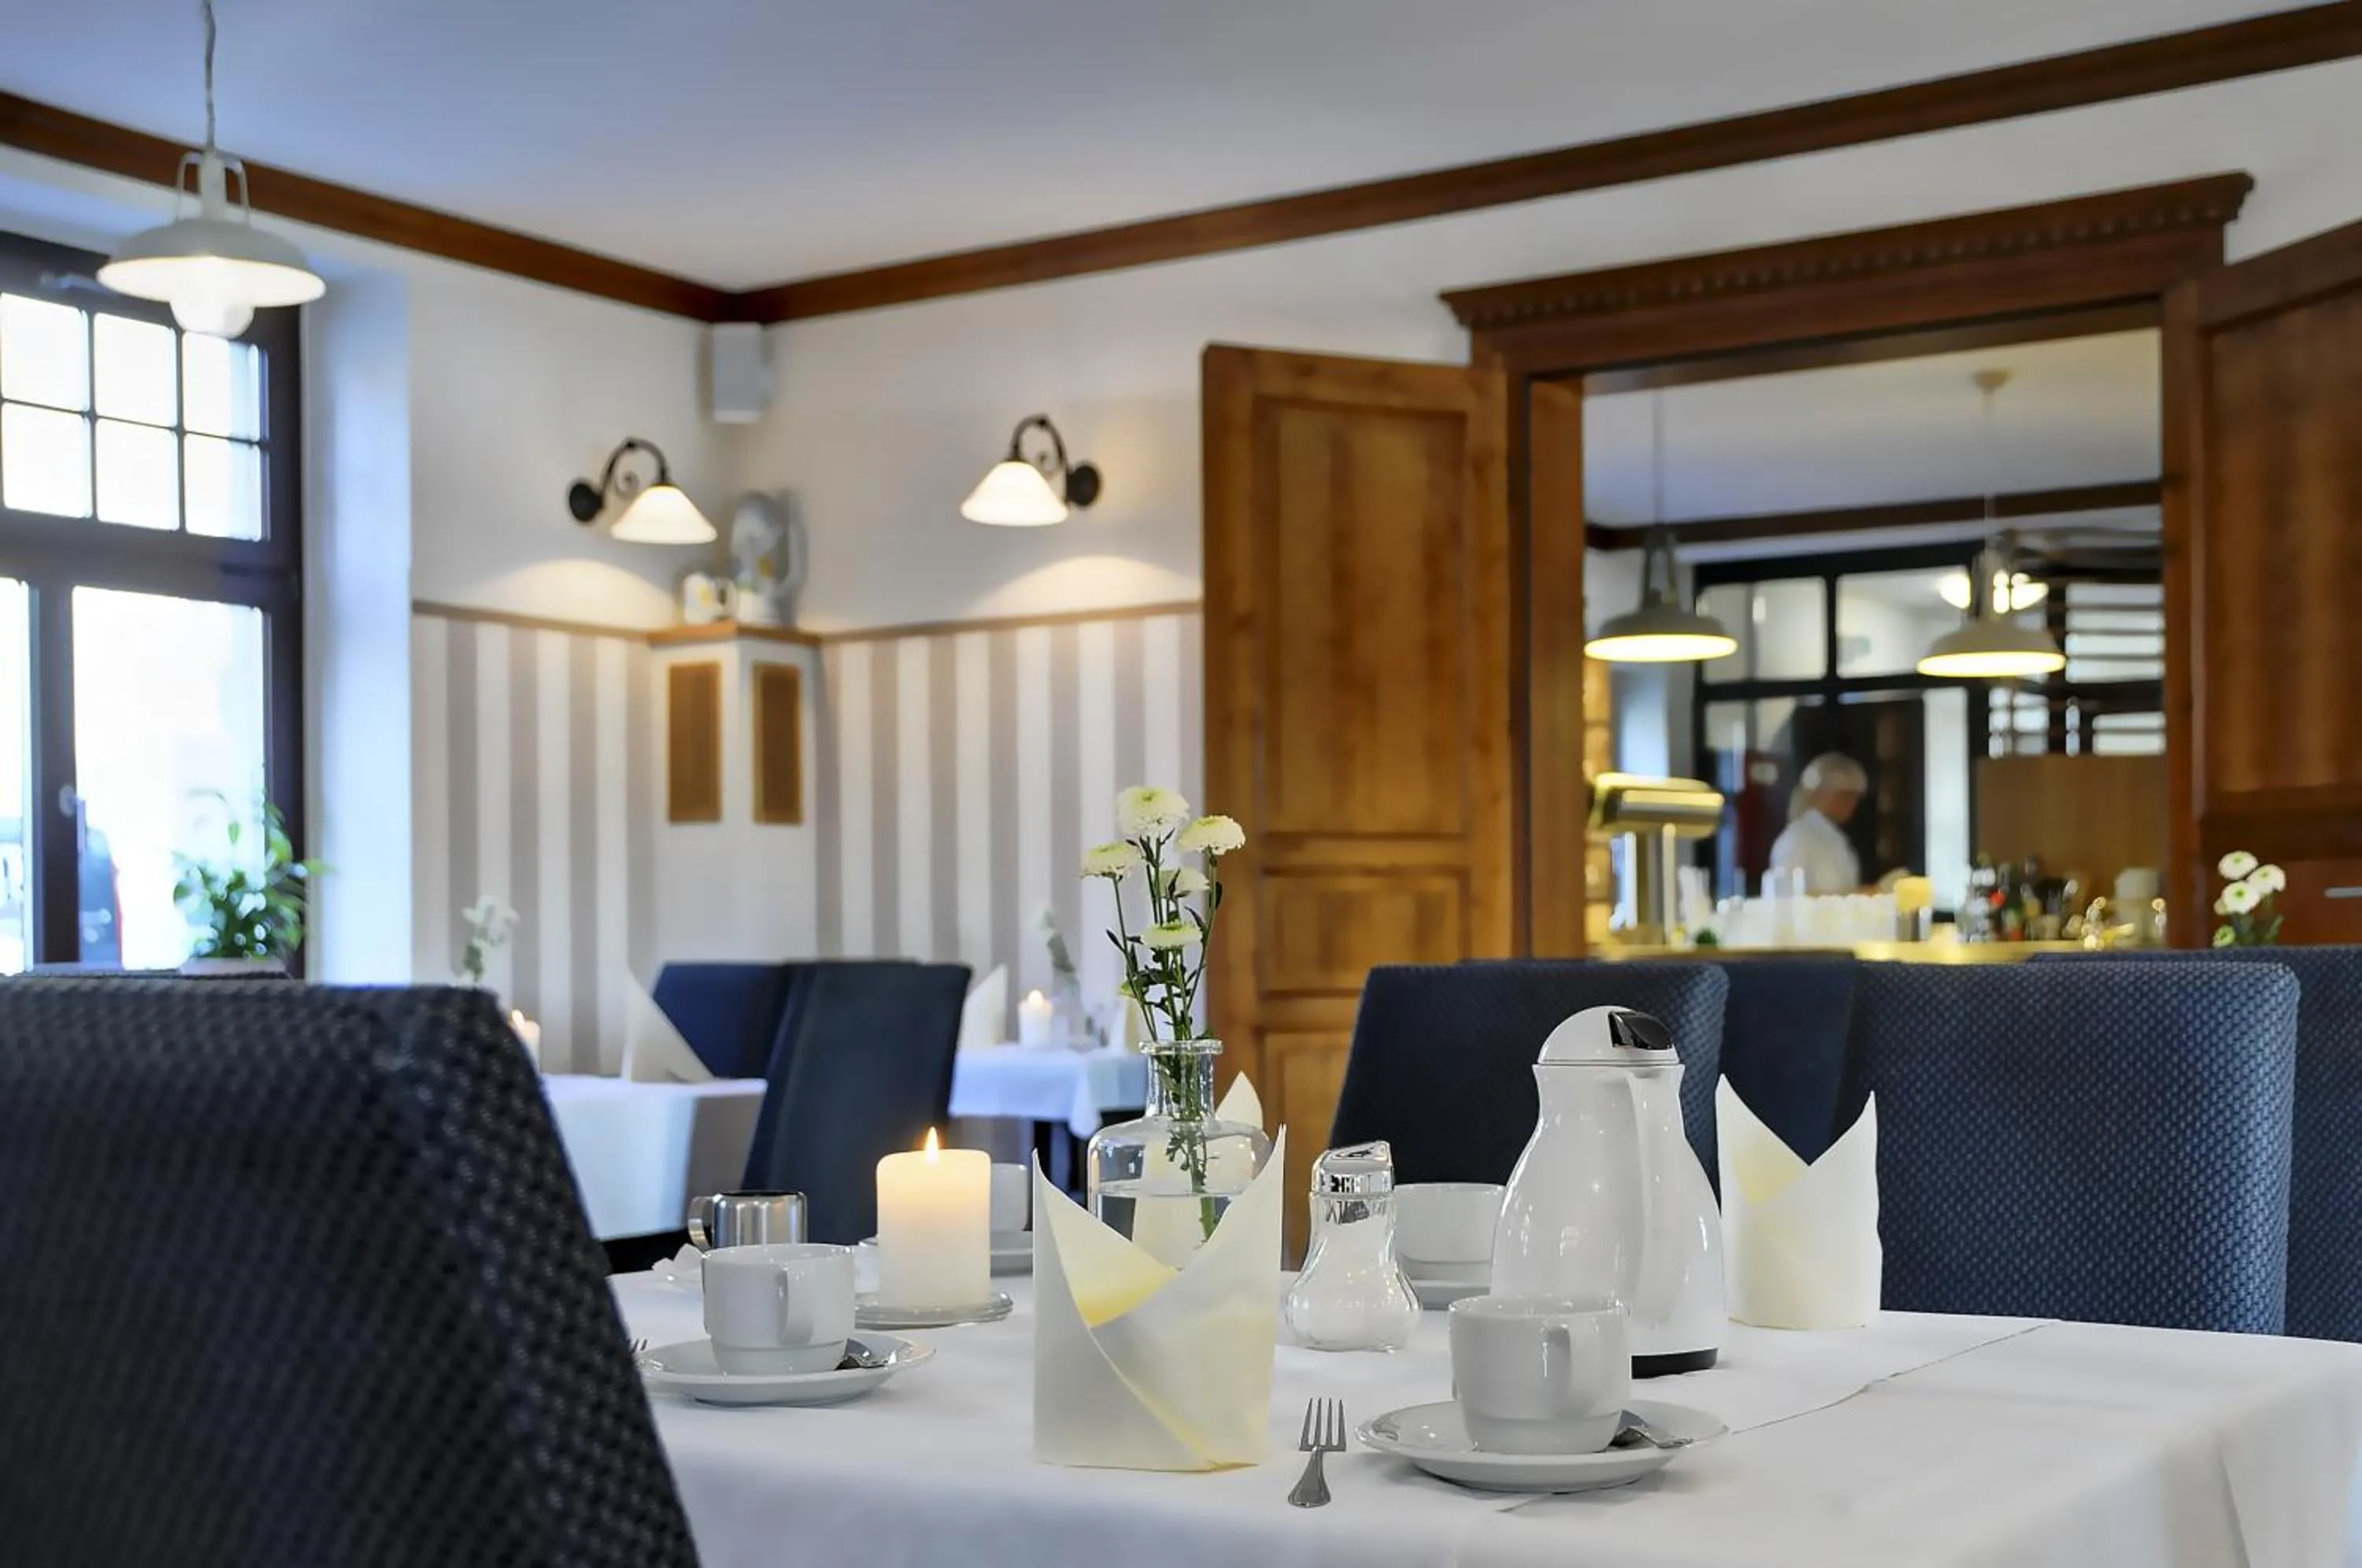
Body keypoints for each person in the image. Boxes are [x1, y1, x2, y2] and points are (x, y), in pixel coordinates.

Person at [1768, 753, 1867, 895]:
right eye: (1845, 796)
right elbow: (1787, 897)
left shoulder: (1835, 838)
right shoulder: (1797, 839)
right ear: (1820, 793)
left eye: (1855, 797)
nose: (1852, 804)